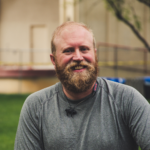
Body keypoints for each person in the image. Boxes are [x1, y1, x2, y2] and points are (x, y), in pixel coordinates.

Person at [14, 21, 150, 150]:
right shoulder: (36, 106)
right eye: (68, 50)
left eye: (84, 49)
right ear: (53, 60)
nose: (78, 57)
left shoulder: (127, 99)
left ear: (95, 55)